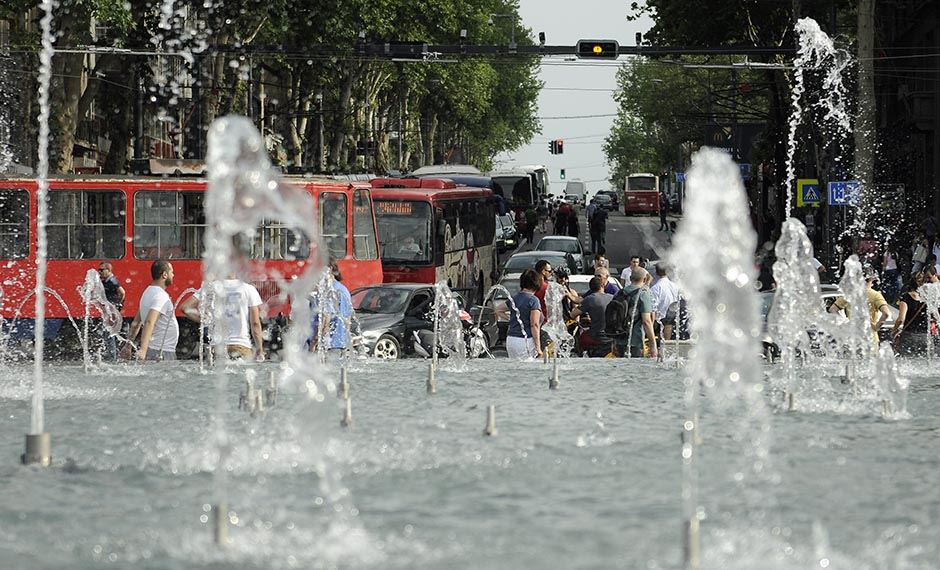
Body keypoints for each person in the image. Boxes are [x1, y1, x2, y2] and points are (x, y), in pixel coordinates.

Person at [182, 274, 266, 361]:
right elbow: (255, 323)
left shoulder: (210, 287)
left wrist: (208, 321)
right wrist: (260, 349)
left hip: (217, 346)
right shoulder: (249, 289)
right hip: (241, 345)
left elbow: (186, 308)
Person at [124, 260, 178, 361]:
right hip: (162, 352)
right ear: (165, 275)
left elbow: (136, 323)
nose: (173, 275)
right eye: (172, 272)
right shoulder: (161, 296)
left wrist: (128, 346)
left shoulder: (147, 292)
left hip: (154, 350)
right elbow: (149, 322)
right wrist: (143, 350)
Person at [829, 266, 891, 343]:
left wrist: (844, 324)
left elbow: (832, 309)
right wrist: (876, 327)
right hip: (870, 339)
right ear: (872, 279)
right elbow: (886, 313)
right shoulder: (875, 295)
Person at [309, 261, 354, 353]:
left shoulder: (330, 290)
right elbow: (348, 319)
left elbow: (327, 317)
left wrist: (314, 342)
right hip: (340, 343)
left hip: (328, 345)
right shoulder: (342, 289)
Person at [615, 267, 657, 358]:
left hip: (619, 339)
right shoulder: (643, 294)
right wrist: (653, 344)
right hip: (635, 341)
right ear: (645, 279)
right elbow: (646, 321)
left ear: (630, 279)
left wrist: (613, 341)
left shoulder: (620, 292)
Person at [890, 272, 933, 356]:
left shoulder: (905, 297)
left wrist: (894, 330)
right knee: (925, 364)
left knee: (908, 362)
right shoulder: (929, 298)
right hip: (926, 337)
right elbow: (936, 316)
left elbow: (901, 319)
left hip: (909, 335)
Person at [505, 269, 544, 360]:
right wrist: (538, 348)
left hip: (511, 340)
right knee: (527, 371)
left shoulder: (514, 298)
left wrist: (511, 319)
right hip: (525, 341)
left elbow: (499, 309)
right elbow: (534, 324)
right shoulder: (533, 300)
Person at [98, 262, 125, 361]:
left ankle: (113, 358)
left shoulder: (112, 281)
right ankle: (112, 355)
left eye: (101, 270)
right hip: (109, 312)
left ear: (108, 270)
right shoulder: (106, 281)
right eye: (99, 270)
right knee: (108, 332)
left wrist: (117, 306)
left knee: (109, 333)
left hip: (112, 312)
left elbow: (122, 293)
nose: (99, 272)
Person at [579, 277, 613, 354]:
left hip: (596, 336)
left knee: (581, 338)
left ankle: (582, 356)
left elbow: (573, 314)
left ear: (591, 288)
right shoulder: (612, 298)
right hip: (612, 336)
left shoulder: (589, 299)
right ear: (603, 285)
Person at [649, 263, 680, 341]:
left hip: (661, 319)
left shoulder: (655, 288)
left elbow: (653, 306)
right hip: (675, 317)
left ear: (656, 273)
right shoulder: (675, 286)